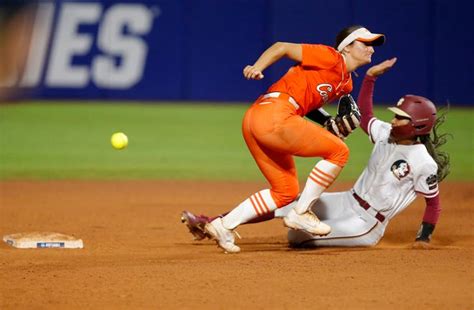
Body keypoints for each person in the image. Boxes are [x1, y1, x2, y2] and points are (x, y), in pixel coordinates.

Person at [181, 58, 450, 249]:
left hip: (367, 223)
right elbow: (367, 114)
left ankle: (304, 227)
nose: (393, 121)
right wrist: (370, 78)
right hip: (348, 200)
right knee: (288, 203)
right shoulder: (385, 134)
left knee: (297, 237)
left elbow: (433, 203)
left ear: (417, 126)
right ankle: (216, 223)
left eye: (400, 118)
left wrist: (423, 239)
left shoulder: (423, 163)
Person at [201, 25, 386, 253]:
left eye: (372, 44)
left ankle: (224, 225)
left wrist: (327, 120)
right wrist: (257, 67)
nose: (371, 49)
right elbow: (282, 48)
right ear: (346, 47)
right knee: (339, 151)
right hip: (275, 114)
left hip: (258, 118)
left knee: (285, 191)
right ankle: (301, 212)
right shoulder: (331, 57)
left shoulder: (345, 83)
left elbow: (307, 103)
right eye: (365, 43)